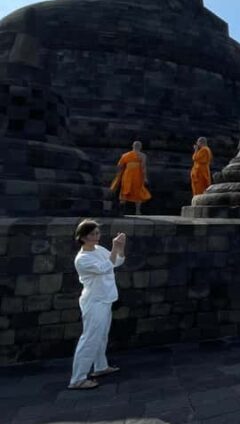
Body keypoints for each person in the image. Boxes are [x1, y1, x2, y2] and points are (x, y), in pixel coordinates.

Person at [68, 220, 126, 390]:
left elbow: (116, 262)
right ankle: (77, 379)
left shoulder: (99, 250)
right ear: (83, 237)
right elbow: (105, 267)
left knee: (101, 336)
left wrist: (120, 247)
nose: (96, 236)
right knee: (90, 338)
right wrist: (115, 248)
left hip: (105, 298)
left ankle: (100, 366)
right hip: (94, 301)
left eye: (97, 233)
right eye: (92, 234)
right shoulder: (82, 259)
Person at [114, 141, 151, 215]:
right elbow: (143, 167)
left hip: (127, 175)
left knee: (125, 191)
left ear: (132, 146)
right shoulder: (142, 155)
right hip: (137, 175)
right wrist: (145, 178)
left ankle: (121, 211)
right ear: (140, 147)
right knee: (138, 192)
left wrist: (119, 175)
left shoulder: (125, 155)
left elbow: (119, 166)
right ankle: (137, 211)